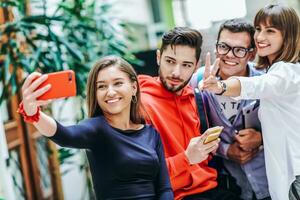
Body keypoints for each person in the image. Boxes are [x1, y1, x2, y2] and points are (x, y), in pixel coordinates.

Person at [18, 56, 173, 200]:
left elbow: (164, 188)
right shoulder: (96, 129)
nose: (110, 92)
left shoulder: (151, 133)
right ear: (96, 93)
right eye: (102, 86)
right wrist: (34, 114)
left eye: (118, 83)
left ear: (133, 87)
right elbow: (64, 135)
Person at [199, 4, 300, 200]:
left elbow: (260, 85)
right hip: (242, 184)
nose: (261, 37)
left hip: (293, 173)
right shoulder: (197, 82)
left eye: (270, 31)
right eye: (259, 29)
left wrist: (221, 87)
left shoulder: (287, 72)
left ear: (287, 36)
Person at [139, 27, 239, 200]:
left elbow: (203, 159)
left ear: (196, 66)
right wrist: (186, 158)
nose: (176, 72)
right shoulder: (140, 104)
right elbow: (141, 174)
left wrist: (207, 150)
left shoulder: (196, 98)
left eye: (186, 65)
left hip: (213, 189)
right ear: (158, 57)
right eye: (170, 61)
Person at [190, 19, 270, 200]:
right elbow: (189, 133)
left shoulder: (265, 81)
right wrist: (226, 150)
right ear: (217, 47)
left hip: (272, 181)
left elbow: (292, 126)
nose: (230, 55)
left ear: (251, 54)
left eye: (240, 50)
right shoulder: (197, 82)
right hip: (231, 187)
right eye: (224, 47)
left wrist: (262, 138)